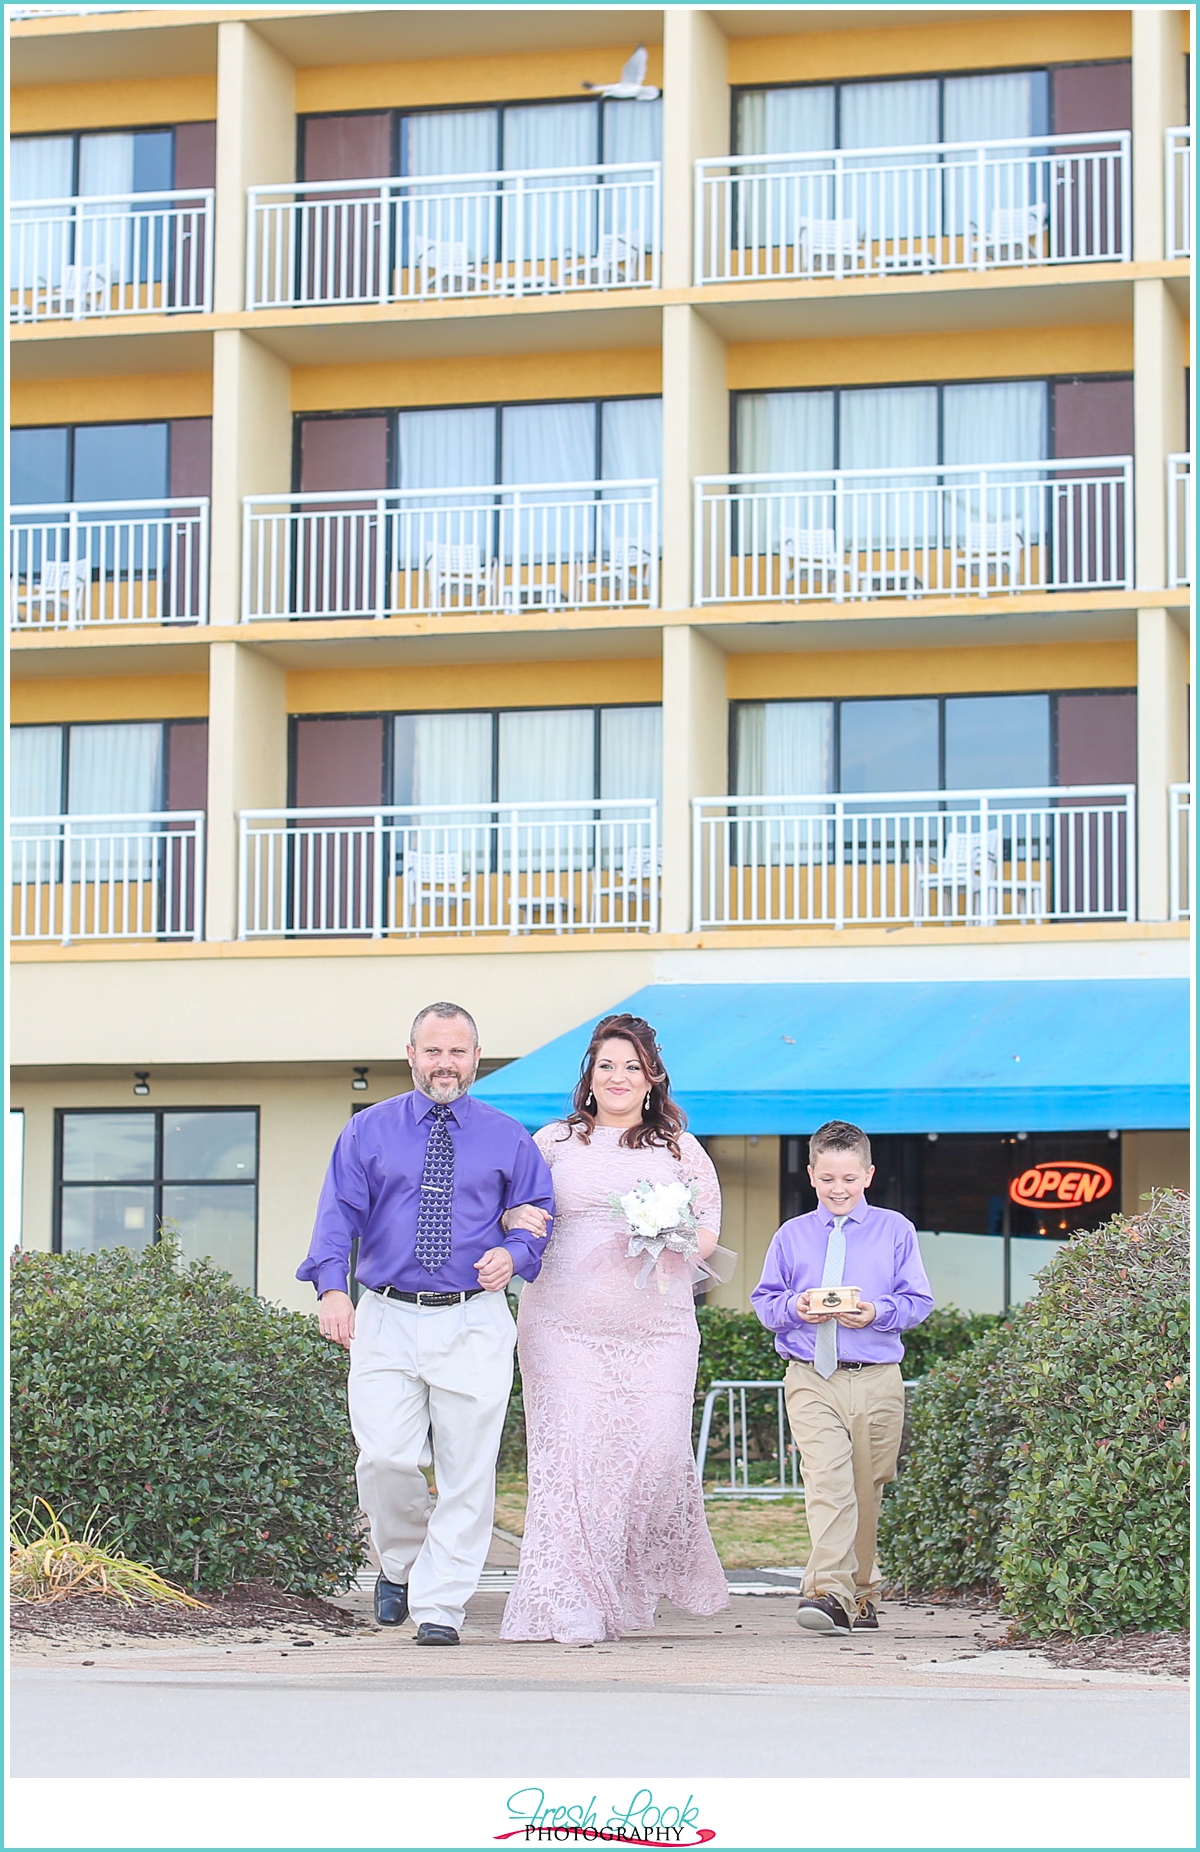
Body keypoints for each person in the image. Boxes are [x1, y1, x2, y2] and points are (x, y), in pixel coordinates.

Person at [298, 1002, 554, 1647]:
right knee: (385, 1458)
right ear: (411, 1055)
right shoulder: (367, 1131)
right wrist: (333, 1289)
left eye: (459, 1051)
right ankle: (402, 1564)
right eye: (434, 1051)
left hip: (473, 1319)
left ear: (477, 1058)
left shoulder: (507, 1137)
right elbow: (337, 1217)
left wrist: (516, 1255)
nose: (447, 1063)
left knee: (468, 1469)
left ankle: (441, 1606)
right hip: (386, 1315)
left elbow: (535, 1212)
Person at [499, 1013, 733, 1646]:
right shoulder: (552, 1141)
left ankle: (621, 1587)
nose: (619, 1077)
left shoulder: (681, 1148)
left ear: (652, 1076)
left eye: (632, 1065)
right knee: (573, 1458)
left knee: (650, 1455)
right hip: (561, 1324)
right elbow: (520, 1209)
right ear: (590, 1075)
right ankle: (566, 1598)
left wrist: (671, 1235)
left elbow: (708, 1224)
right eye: (607, 1065)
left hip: (657, 1328)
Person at [751, 1120, 933, 1637]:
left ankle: (862, 1591)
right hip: (811, 1375)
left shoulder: (896, 1230)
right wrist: (796, 1306)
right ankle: (829, 1592)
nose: (838, 1189)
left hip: (876, 1376)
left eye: (849, 1178)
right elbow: (765, 1302)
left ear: (868, 1175)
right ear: (810, 1175)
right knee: (828, 1482)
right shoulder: (791, 1236)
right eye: (827, 1178)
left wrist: (877, 1312)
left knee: (865, 1486)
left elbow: (919, 1301)